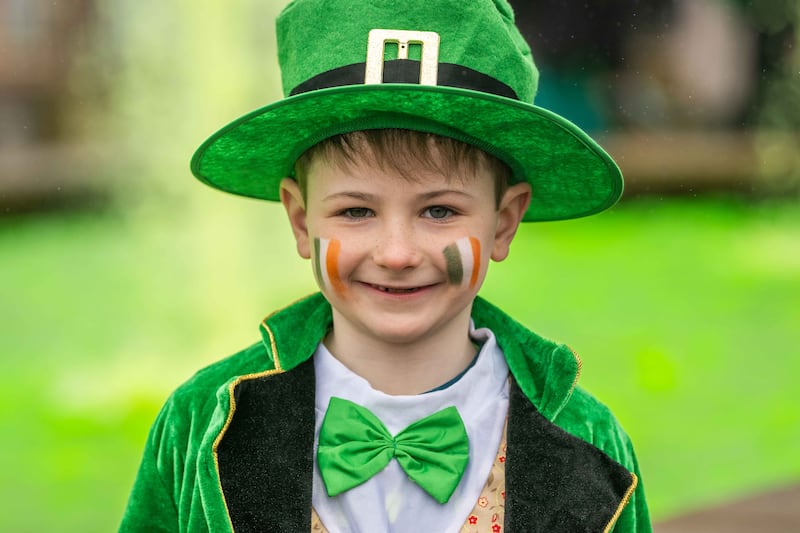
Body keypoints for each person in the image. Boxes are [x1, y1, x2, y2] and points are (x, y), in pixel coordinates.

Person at [120, 0, 651, 531]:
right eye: (356, 211)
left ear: (504, 222)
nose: (396, 254)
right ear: (302, 222)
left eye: (439, 210)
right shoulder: (198, 424)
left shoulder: (590, 442)